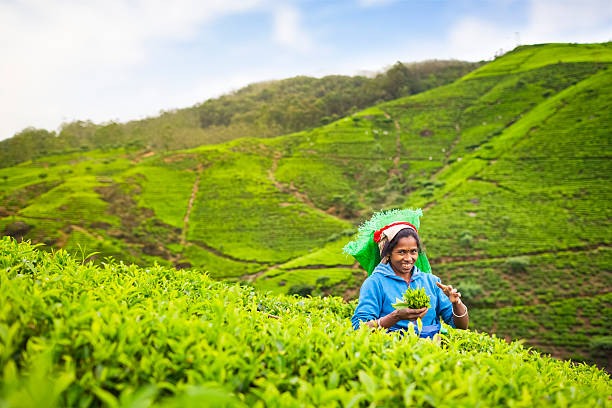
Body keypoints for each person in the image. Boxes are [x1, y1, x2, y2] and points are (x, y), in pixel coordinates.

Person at [344, 209, 468, 336]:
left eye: (413, 251)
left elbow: (461, 326)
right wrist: (396, 316)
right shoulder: (375, 283)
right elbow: (359, 327)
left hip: (430, 351)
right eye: (401, 252)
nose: (409, 258)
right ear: (388, 253)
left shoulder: (431, 282)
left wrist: (456, 303)